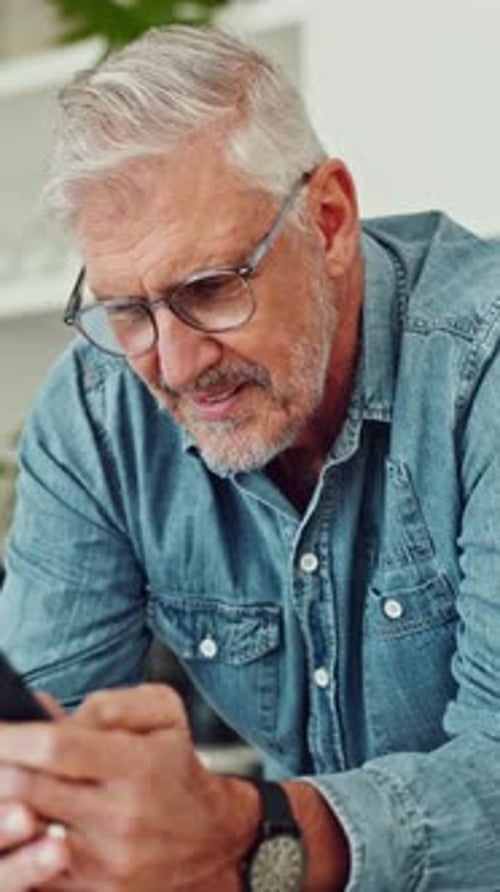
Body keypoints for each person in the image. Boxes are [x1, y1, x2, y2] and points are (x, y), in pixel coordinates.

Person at [0, 23, 499, 892]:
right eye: (127, 310)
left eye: (210, 289)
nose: (178, 366)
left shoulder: (479, 369)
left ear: (330, 220)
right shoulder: (96, 415)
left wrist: (247, 837)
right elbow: (45, 747)